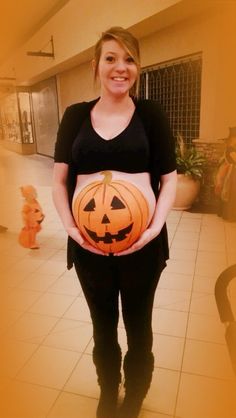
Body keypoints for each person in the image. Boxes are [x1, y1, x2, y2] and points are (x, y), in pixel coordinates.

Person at [52, 27, 177, 418]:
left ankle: (135, 396)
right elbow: (58, 180)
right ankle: (109, 392)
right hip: (89, 250)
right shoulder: (75, 116)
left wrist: (153, 229)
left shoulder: (151, 115)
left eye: (129, 59)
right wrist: (73, 230)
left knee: (139, 328)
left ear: (137, 67)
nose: (120, 67)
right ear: (96, 65)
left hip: (142, 247)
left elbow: (169, 179)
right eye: (111, 58)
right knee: (102, 327)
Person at [215, 127, 236, 222]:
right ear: (232, 138)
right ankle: (229, 216)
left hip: (230, 173)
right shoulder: (231, 149)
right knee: (230, 194)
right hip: (231, 175)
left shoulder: (231, 148)